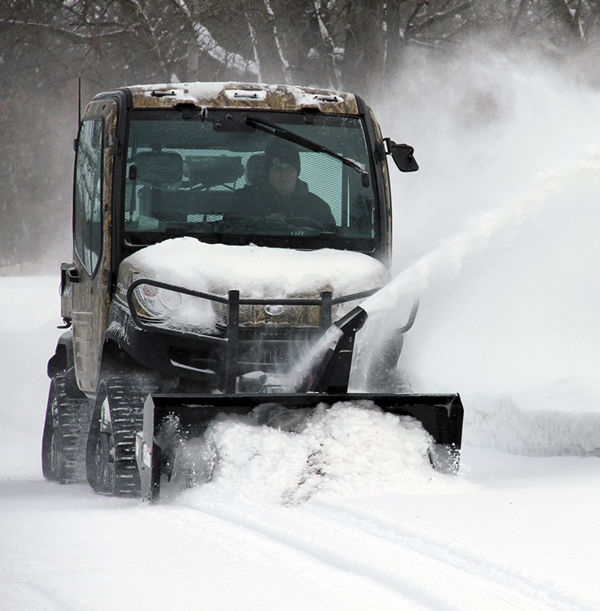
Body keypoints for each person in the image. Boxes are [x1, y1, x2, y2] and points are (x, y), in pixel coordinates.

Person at [231, 142, 336, 231]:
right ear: (268, 173)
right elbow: (230, 233)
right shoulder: (244, 200)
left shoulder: (318, 207)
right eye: (278, 168)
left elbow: (331, 242)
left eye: (289, 168)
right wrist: (261, 223)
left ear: (297, 173)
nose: (284, 173)